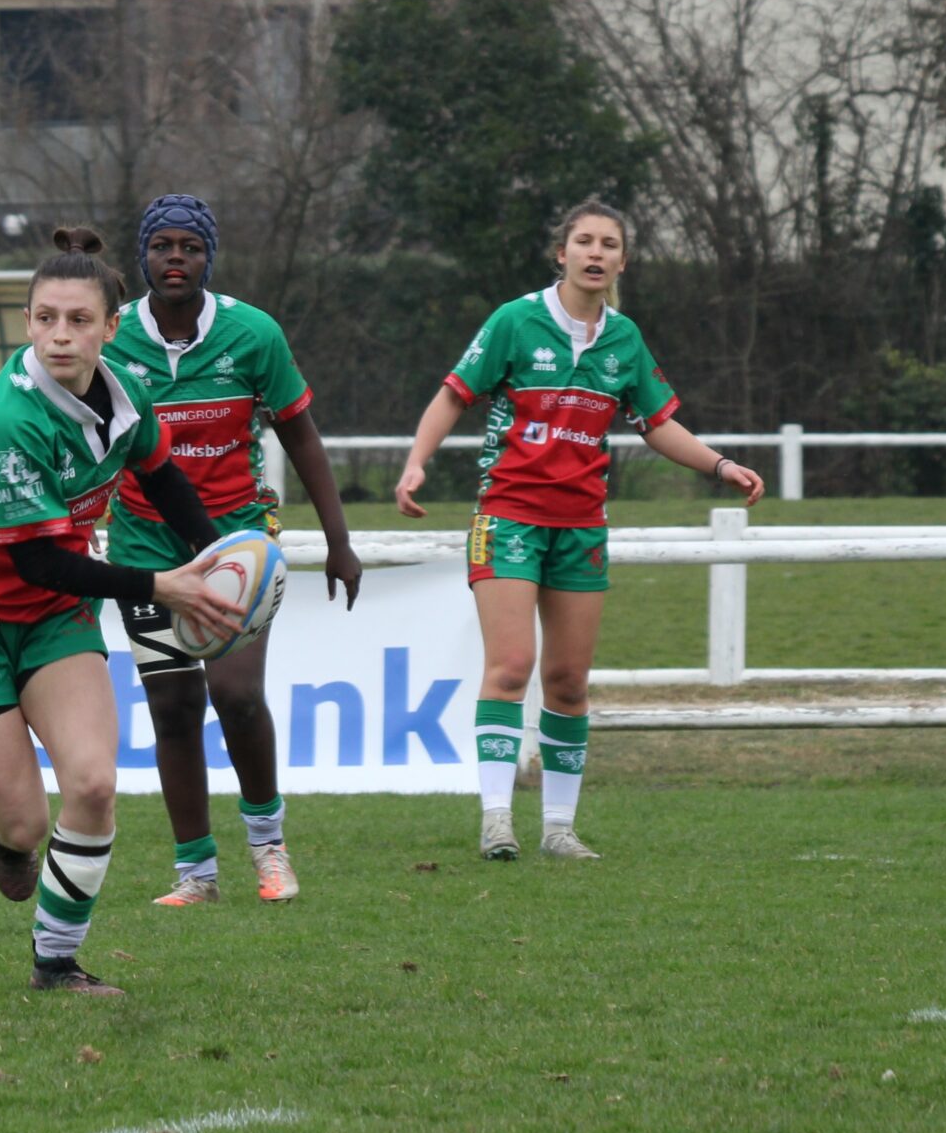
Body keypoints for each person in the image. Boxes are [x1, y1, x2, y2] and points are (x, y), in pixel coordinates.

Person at [0, 227, 243, 996]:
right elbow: (37, 559)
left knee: (92, 784)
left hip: (55, 611)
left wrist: (219, 557)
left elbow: (162, 477)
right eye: (46, 318)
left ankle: (56, 965)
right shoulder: (13, 415)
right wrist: (164, 586)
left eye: (79, 320)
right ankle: (6, 835)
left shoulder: (124, 393)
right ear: (27, 322)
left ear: (110, 328)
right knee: (24, 823)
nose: (60, 334)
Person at [395, 198, 764, 861]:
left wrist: (720, 464)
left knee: (568, 681)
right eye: (585, 241)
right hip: (508, 516)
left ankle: (559, 830)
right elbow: (454, 394)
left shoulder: (624, 339)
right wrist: (417, 463)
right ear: (560, 253)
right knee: (512, 666)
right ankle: (496, 820)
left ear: (623, 262)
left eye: (609, 244)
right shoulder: (515, 321)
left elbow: (656, 423)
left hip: (581, 525)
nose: (596, 253)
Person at [104, 194, 362, 907]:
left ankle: (269, 847)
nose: (175, 258)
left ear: (209, 257)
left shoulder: (253, 334)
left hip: (236, 543)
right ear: (143, 256)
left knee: (237, 695)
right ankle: (197, 873)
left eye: (190, 247)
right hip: (144, 545)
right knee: (173, 707)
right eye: (162, 246)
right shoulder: (110, 338)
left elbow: (301, 435)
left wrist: (339, 541)